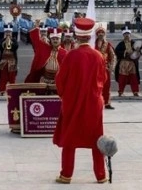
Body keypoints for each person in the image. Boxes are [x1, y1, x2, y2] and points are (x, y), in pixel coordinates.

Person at [52, 17, 108, 184]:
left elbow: (60, 80)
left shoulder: (71, 56)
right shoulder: (99, 56)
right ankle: (101, 175)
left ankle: (66, 174)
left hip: (73, 103)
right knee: (97, 139)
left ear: (76, 36)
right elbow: (103, 79)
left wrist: (65, 96)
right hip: (93, 103)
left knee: (70, 139)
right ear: (90, 36)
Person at [114, 27, 141, 96]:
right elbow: (116, 52)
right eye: (125, 34)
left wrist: (137, 52)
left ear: (130, 34)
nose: (126, 35)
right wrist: (125, 53)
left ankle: (135, 91)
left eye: (128, 34)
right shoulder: (121, 44)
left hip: (132, 63)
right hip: (123, 63)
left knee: (133, 77)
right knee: (122, 78)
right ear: (123, 35)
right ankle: (120, 91)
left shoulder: (134, 43)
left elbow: (139, 53)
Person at [94, 25, 116, 109]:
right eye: (99, 32)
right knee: (95, 86)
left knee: (106, 86)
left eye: (102, 32)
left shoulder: (108, 44)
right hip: (95, 69)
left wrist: (112, 67)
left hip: (105, 69)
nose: (101, 34)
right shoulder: (93, 43)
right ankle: (96, 103)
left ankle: (106, 103)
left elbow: (113, 56)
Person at [0, 26, 19, 95]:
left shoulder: (14, 40)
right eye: (7, 32)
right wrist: (5, 42)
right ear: (5, 33)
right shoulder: (2, 40)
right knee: (3, 77)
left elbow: (16, 47)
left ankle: (12, 90)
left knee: (12, 76)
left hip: (12, 61)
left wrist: (10, 42)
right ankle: (2, 91)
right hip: (3, 61)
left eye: (9, 32)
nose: (8, 33)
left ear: (11, 33)